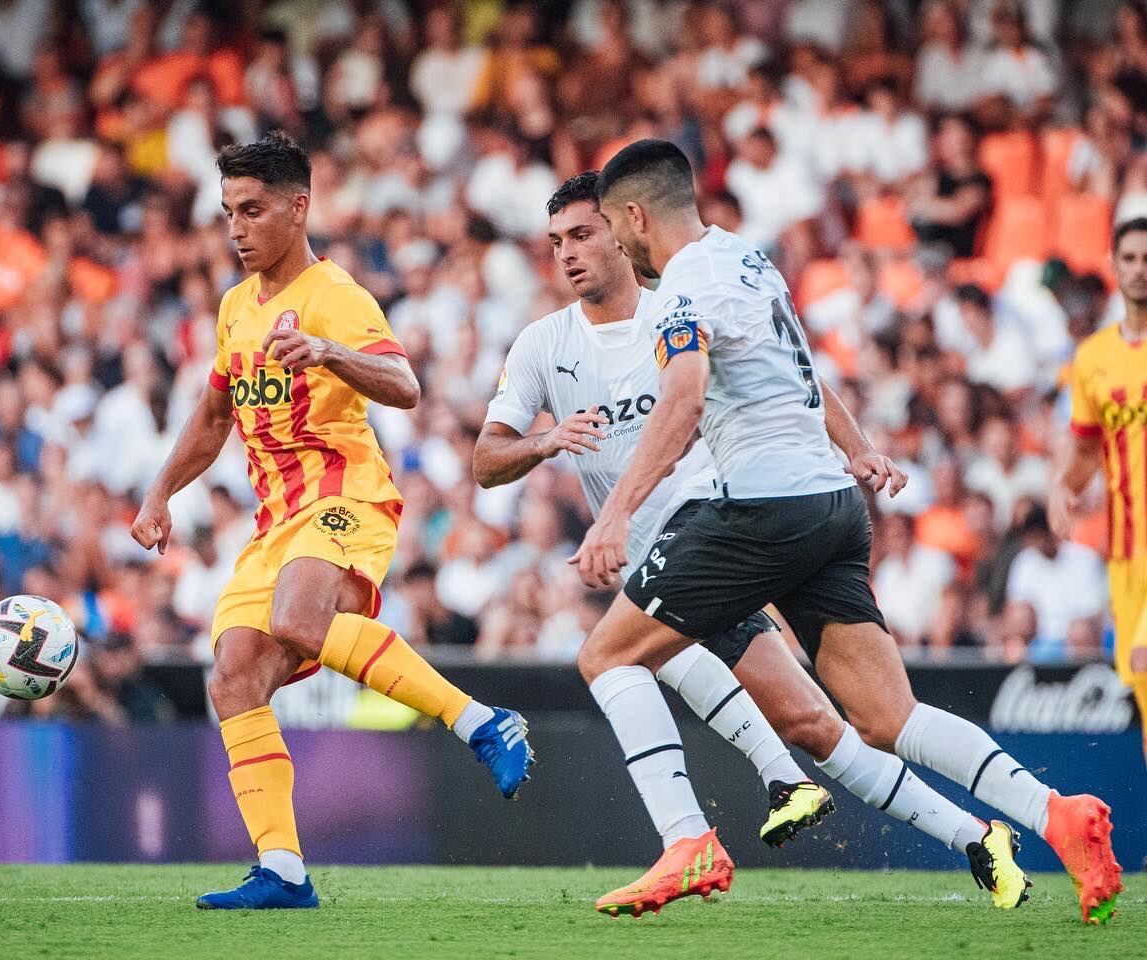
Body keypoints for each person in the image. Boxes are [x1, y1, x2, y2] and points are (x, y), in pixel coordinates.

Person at [571, 139, 1121, 924]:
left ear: (633, 216)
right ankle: (1056, 815)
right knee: (888, 718)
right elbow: (803, 374)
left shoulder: (681, 290)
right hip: (832, 506)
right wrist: (858, 448)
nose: (621, 249)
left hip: (757, 510)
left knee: (606, 654)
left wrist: (617, 512)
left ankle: (686, 839)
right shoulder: (748, 261)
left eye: (616, 233)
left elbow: (684, 398)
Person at [475, 171, 1026, 906]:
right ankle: (973, 836)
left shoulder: (677, 302)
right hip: (673, 563)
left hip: (722, 537)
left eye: (582, 234)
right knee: (814, 722)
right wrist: (546, 444)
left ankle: (700, 833)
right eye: (555, 243)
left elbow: (786, 376)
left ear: (622, 227)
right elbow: (485, 460)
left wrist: (855, 445)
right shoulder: (545, 345)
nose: (568, 254)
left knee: (617, 657)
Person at [130, 132, 532, 910]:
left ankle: (482, 722)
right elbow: (214, 416)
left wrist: (326, 352)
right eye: (227, 213)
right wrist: (159, 494)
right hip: (275, 521)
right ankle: (281, 868)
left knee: (301, 620)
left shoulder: (335, 295)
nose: (236, 229)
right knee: (234, 675)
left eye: (252, 210)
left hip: (345, 495)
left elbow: (405, 383)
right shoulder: (234, 309)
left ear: (298, 207)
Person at [1051, 216, 1147, 769]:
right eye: (1129, 258)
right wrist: (1064, 488)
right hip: (1127, 551)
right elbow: (1086, 447)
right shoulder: (1093, 358)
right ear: (1113, 265)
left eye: (1146, 258)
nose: (1139, 269)